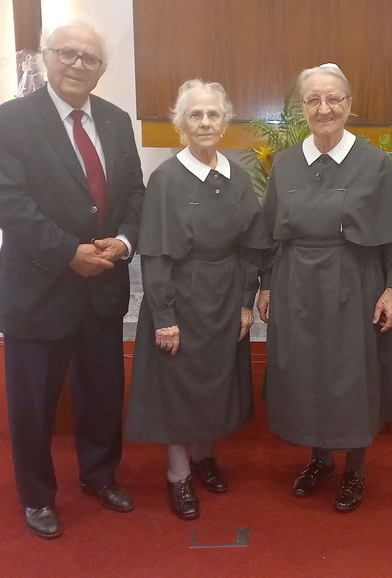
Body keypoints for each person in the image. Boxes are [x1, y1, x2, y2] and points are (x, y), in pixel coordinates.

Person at [0, 21, 144, 539]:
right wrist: (66, 253)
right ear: (46, 59)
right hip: (40, 287)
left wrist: (123, 241)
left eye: (89, 58)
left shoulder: (117, 122)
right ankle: (37, 497)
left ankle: (100, 476)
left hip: (102, 288)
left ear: (102, 69)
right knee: (34, 402)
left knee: (101, 393)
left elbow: (134, 195)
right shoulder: (8, 121)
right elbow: (9, 203)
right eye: (67, 54)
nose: (77, 64)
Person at [257, 64, 392, 513]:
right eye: (313, 100)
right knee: (308, 372)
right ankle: (319, 460)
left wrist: (391, 288)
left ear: (349, 105)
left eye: (333, 99)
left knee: (351, 374)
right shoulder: (285, 163)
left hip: (356, 281)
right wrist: (267, 285)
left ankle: (355, 470)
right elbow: (269, 232)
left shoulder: (374, 161)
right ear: (301, 108)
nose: (323, 109)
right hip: (296, 283)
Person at [124, 80, 271, 520]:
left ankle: (205, 457)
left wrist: (246, 301)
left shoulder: (239, 176)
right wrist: (163, 316)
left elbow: (252, 246)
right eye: (195, 115)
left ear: (225, 122)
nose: (205, 122)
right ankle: (177, 475)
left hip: (226, 294)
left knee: (216, 378)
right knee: (177, 385)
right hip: (180, 295)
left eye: (212, 114)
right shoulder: (166, 178)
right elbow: (155, 250)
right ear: (180, 124)